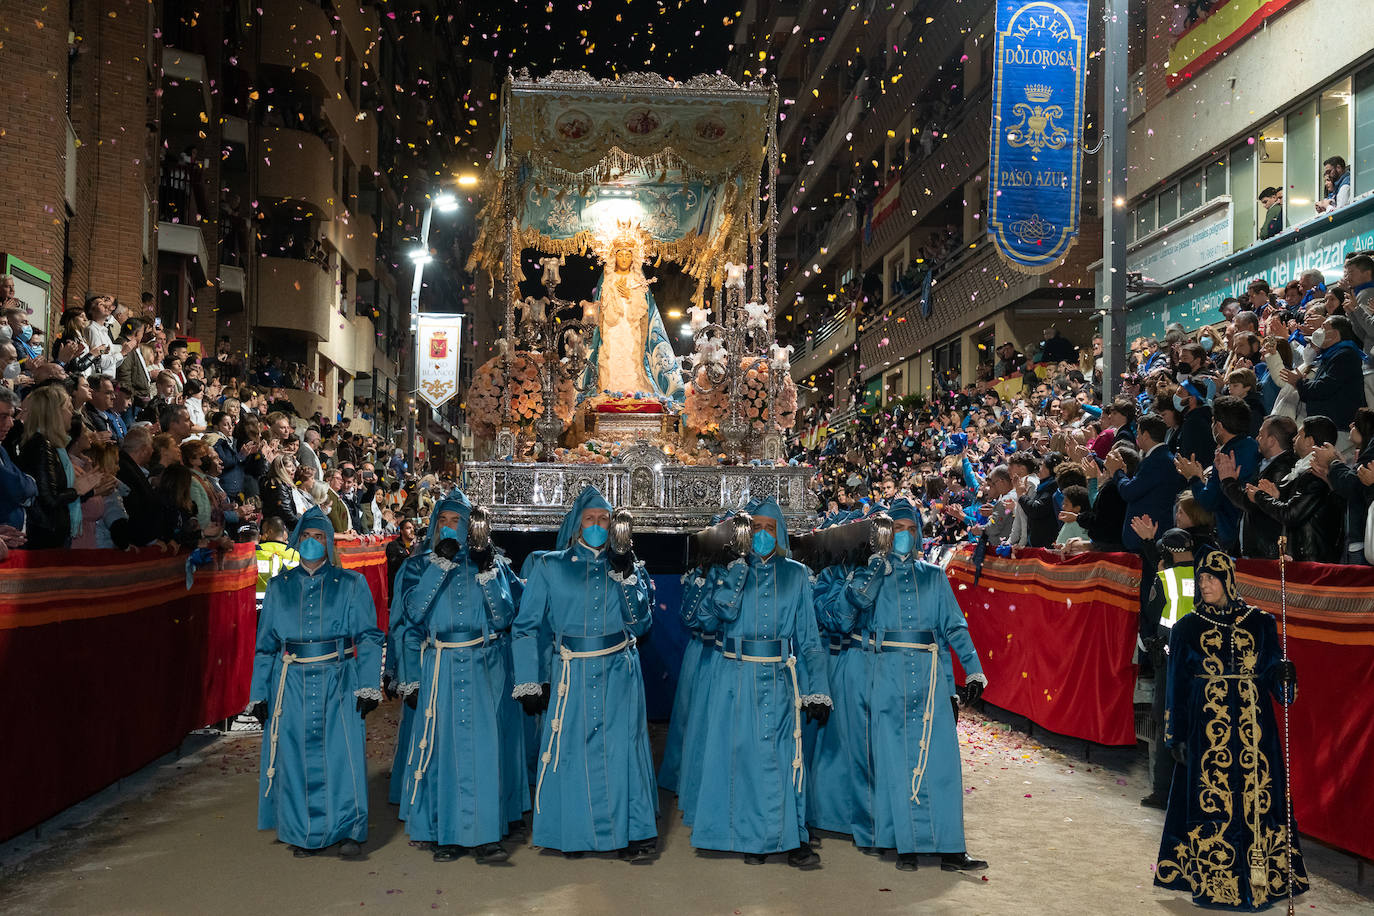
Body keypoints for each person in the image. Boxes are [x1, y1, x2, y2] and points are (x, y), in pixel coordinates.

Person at [510, 485, 658, 861]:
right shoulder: (550, 565)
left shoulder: (629, 568)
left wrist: (627, 579)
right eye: (590, 519)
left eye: (604, 520)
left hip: (619, 672)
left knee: (622, 750)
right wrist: (530, 678)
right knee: (571, 749)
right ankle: (571, 830)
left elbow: (641, 625)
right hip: (570, 672)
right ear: (577, 526)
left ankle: (633, 832)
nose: (597, 526)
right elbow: (527, 626)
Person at [1154, 549, 1305, 909]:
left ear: (1228, 581)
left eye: (1211, 579)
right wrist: (1174, 736)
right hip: (1206, 731)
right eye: (1201, 579)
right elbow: (1176, 685)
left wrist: (1286, 675)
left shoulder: (1261, 622)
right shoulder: (1187, 627)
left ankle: (1263, 879)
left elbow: (1277, 687)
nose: (1205, 585)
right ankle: (1213, 879)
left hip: (1255, 732)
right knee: (1210, 803)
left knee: (1259, 800)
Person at [845, 498, 988, 872]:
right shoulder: (870, 575)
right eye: (897, 530)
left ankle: (952, 848)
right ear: (885, 535)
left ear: (919, 535)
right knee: (892, 760)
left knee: (941, 762)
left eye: (910, 530)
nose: (903, 537)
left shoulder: (934, 576)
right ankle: (902, 844)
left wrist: (972, 670)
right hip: (886, 675)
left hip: (930, 678)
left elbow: (954, 626)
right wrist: (876, 572)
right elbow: (851, 610)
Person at [686, 499, 831, 867]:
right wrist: (733, 579)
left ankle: (791, 835)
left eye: (770, 529)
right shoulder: (725, 572)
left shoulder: (797, 574)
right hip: (732, 675)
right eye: (756, 528)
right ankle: (746, 836)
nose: (762, 536)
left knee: (784, 757)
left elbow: (810, 640)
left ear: (779, 533)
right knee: (740, 757)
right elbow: (703, 621)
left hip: (781, 678)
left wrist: (818, 690)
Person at [395, 491, 526, 864]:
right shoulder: (419, 566)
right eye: (443, 522)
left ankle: (487, 834)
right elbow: (414, 614)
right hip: (440, 666)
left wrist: (487, 572)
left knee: (485, 750)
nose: (449, 528)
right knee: (441, 749)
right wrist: (439, 565)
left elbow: (503, 617)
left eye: (457, 521)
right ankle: (445, 833)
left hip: (485, 665)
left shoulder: (492, 564)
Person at [248, 507, 383, 858]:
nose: (312, 543)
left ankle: (350, 828)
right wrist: (259, 693)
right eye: (306, 536)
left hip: (339, 679)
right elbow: (264, 646)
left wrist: (369, 685)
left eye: (320, 537)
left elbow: (368, 637)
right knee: (295, 756)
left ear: (329, 543)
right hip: (288, 683)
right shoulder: (279, 587)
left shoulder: (351, 584)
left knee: (343, 756)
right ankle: (304, 832)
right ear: (297, 540)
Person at [18, 385, 103, 549]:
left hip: (53, 534)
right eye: (68, 409)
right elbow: (49, 499)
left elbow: (59, 492)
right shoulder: (41, 445)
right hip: (44, 538)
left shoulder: (53, 446)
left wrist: (87, 489)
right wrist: (77, 490)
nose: (72, 414)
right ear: (54, 413)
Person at [0, 386, 36, 530]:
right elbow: (19, 488)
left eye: (11, 416)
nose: (10, 423)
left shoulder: (1, 449)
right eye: (3, 416)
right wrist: (29, 483)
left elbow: (27, 486)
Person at [254, 516, 299, 605]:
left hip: (259, 601)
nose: (263, 535)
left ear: (270, 532)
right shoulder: (296, 554)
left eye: (264, 532)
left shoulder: (260, 550)